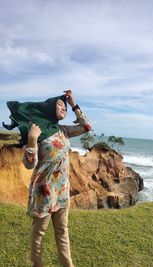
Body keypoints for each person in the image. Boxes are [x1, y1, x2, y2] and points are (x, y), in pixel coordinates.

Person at [3, 90, 92, 267]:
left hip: (62, 191)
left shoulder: (63, 130)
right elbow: (29, 165)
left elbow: (86, 127)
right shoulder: (36, 130)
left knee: (62, 231)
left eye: (65, 107)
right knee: (39, 233)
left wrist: (74, 105)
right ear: (49, 107)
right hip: (44, 192)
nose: (63, 108)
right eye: (59, 104)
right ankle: (38, 264)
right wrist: (32, 140)